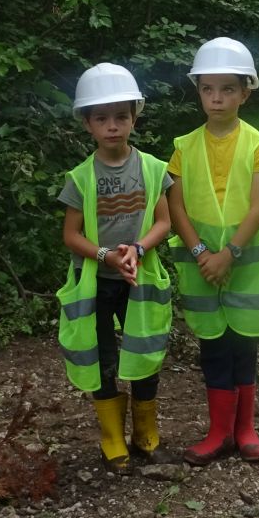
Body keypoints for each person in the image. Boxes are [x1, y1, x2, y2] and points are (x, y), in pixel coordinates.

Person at [167, 38, 259, 465]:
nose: (216, 98)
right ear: (198, 91)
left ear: (245, 93)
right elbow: (176, 206)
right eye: (208, 89)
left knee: (243, 343)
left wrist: (228, 253)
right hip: (201, 264)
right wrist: (201, 252)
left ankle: (245, 429)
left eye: (227, 89)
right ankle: (219, 433)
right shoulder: (183, 147)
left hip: (244, 261)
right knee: (213, 344)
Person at [56, 63, 174, 473]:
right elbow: (71, 235)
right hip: (98, 283)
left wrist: (137, 249)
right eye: (102, 118)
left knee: (145, 352)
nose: (112, 126)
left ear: (134, 118)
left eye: (121, 116)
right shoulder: (80, 178)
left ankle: (146, 434)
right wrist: (107, 255)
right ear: (87, 123)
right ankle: (112, 438)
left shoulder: (153, 169)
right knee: (102, 357)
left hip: (139, 278)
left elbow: (164, 222)